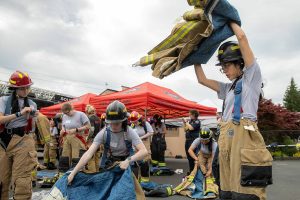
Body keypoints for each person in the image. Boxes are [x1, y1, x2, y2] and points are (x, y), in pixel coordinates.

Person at [194, 22, 273, 200]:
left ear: (240, 63)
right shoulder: (228, 88)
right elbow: (202, 79)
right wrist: (195, 57)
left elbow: (242, 39)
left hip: (244, 135)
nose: (224, 71)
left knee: (246, 191)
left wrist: (230, 20)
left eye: (227, 66)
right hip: (226, 136)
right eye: (222, 67)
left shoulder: (251, 79)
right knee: (227, 190)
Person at [67, 100, 148, 184]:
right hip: (111, 163)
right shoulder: (104, 133)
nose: (113, 126)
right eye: (111, 123)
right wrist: (73, 173)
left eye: (116, 123)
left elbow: (144, 151)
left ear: (123, 121)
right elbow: (88, 154)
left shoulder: (129, 131)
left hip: (127, 162)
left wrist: (128, 161)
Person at [0, 71, 38, 200]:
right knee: (1, 180)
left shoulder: (32, 104)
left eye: (28, 87)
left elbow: (32, 128)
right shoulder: (4, 100)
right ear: (14, 88)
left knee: (22, 181)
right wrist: (19, 114)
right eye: (23, 88)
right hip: (3, 141)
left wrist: (32, 117)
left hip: (23, 139)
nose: (26, 90)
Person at [58, 103, 91, 172]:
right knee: (65, 157)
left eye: (68, 113)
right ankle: (64, 174)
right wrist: (62, 131)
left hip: (77, 138)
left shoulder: (81, 115)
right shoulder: (64, 116)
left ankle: (76, 174)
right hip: (66, 138)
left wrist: (76, 130)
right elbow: (64, 126)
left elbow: (88, 126)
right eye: (65, 113)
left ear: (71, 109)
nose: (67, 115)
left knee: (76, 158)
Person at [129, 111, 154, 183]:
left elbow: (151, 132)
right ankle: (138, 181)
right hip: (135, 146)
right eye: (133, 122)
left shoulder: (146, 124)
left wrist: (141, 138)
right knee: (136, 164)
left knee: (144, 163)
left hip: (144, 143)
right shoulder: (132, 125)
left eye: (136, 121)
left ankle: (145, 182)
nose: (134, 123)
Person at [85, 104, 101, 173]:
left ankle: (92, 174)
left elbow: (91, 129)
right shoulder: (98, 119)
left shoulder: (89, 118)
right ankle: (97, 172)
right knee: (97, 158)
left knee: (90, 158)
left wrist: (87, 139)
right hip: (98, 141)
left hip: (91, 141)